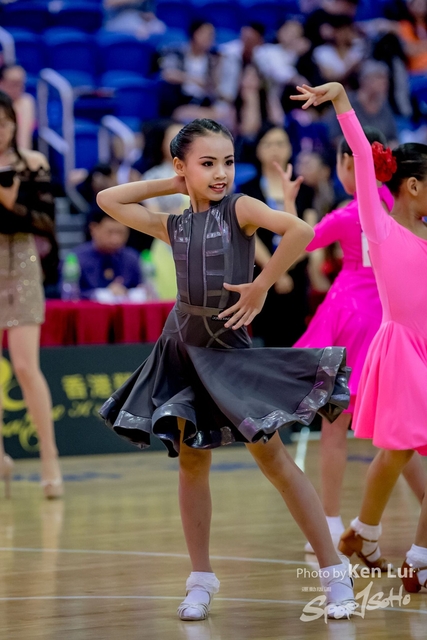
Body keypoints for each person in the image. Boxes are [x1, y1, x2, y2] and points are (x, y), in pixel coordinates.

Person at [96, 118, 356, 620]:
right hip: (182, 350)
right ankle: (200, 578)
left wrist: (261, 285)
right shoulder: (173, 224)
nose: (221, 173)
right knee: (192, 463)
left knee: (275, 462)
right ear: (182, 166)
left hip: (230, 355)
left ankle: (333, 572)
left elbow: (300, 231)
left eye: (228, 162)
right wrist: (173, 184)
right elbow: (109, 199)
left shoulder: (239, 209)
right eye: (207, 163)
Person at [291, 81, 427, 581]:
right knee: (395, 450)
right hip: (400, 349)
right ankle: (414, 557)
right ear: (413, 186)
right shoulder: (381, 227)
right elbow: (363, 160)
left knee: (397, 453)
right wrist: (343, 102)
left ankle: (369, 535)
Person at [0, 91, 62, 499]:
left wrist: (10, 204)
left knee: (25, 366)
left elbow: (46, 222)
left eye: (4, 123)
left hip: (21, 264)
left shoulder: (33, 163)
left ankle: (49, 459)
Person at [239, 124, 312, 347]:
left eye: (280, 144)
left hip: (296, 276)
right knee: (266, 341)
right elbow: (248, 236)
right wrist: (275, 273)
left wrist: (283, 269)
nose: (275, 150)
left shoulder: (304, 189)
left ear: (290, 148)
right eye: (268, 144)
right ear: (258, 150)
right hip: (260, 277)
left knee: (297, 340)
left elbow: (310, 233)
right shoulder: (247, 191)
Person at [74, 209, 142, 300]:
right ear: (93, 229)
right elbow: (68, 294)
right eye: (110, 232)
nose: (115, 240)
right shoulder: (77, 259)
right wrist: (100, 294)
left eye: (121, 233)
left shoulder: (132, 258)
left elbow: (143, 288)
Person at [0, 65, 36, 150]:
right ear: (1, 83)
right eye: (13, 83)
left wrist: (21, 156)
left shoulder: (26, 101)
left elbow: (24, 138)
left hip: (16, 153)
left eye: (21, 83)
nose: (18, 87)